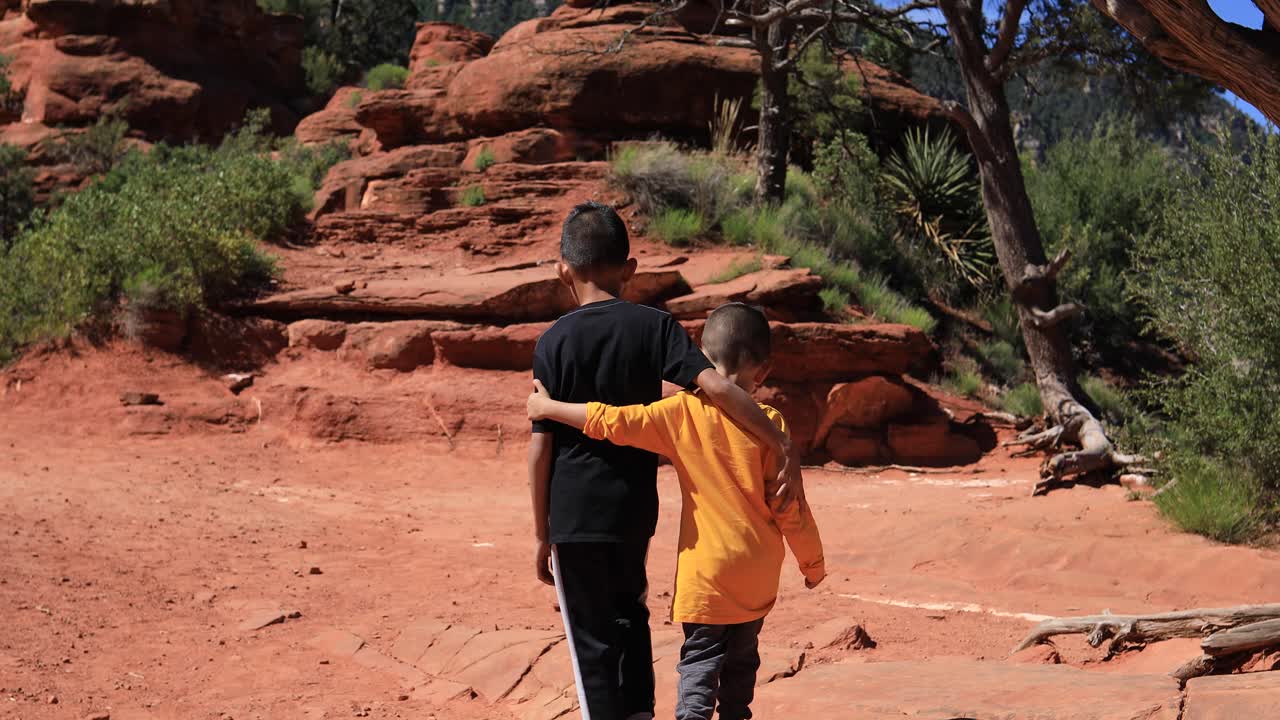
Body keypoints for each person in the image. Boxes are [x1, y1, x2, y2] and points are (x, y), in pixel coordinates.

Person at [529, 202, 799, 720]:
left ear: (563, 267)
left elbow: (541, 446)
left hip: (572, 514)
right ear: (630, 270)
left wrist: (541, 532)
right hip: (632, 509)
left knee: (591, 637)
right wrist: (780, 441)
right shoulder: (654, 327)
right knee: (630, 613)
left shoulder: (552, 341)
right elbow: (717, 387)